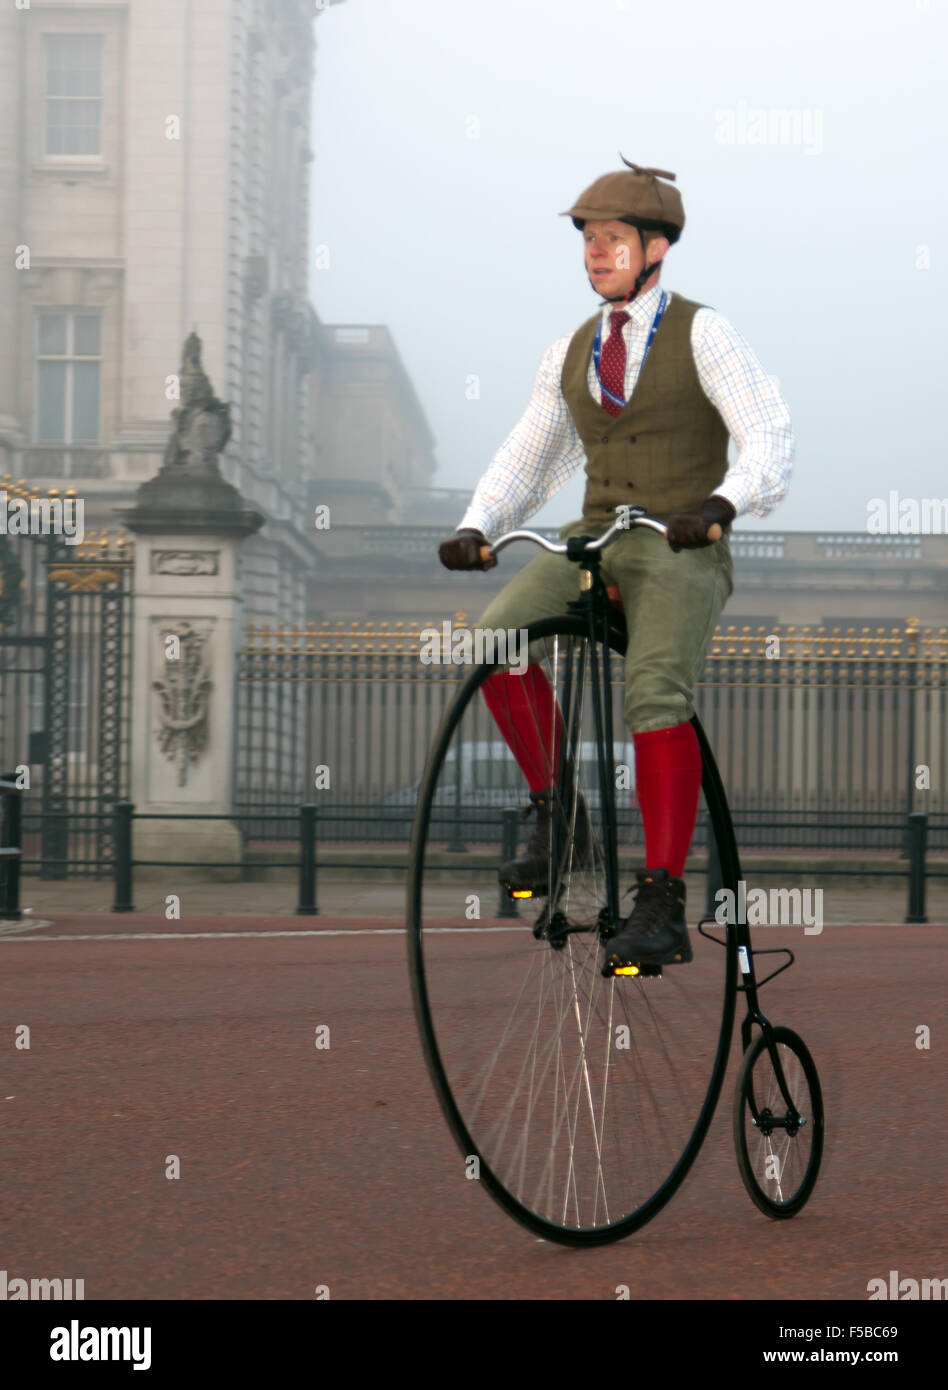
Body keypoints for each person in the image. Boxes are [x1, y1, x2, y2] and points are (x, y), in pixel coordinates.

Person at [438, 158, 793, 966]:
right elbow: (531, 453)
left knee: (654, 692)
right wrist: (477, 521)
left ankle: (663, 898)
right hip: (596, 538)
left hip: (678, 544)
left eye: (614, 239)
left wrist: (724, 504)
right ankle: (560, 812)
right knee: (496, 637)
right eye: (589, 240)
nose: (597, 253)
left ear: (658, 245)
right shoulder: (572, 351)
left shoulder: (705, 332)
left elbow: (769, 433)